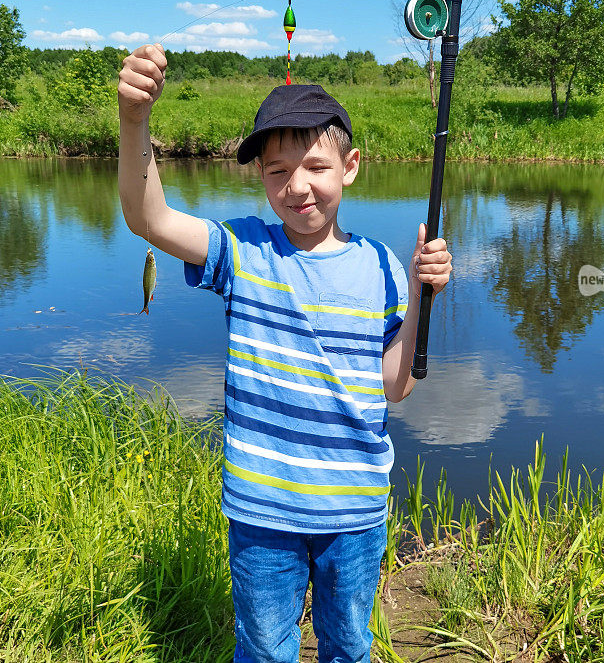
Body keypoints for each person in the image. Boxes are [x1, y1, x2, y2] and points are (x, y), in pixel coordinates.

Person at [117, 44, 453, 663]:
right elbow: (148, 218)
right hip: (262, 508)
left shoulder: (382, 266)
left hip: (354, 512)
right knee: (266, 649)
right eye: (277, 171)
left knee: (348, 645)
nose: (297, 187)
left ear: (350, 166)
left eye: (316, 168)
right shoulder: (244, 250)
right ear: (261, 178)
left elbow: (394, 386)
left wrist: (419, 293)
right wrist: (135, 120)